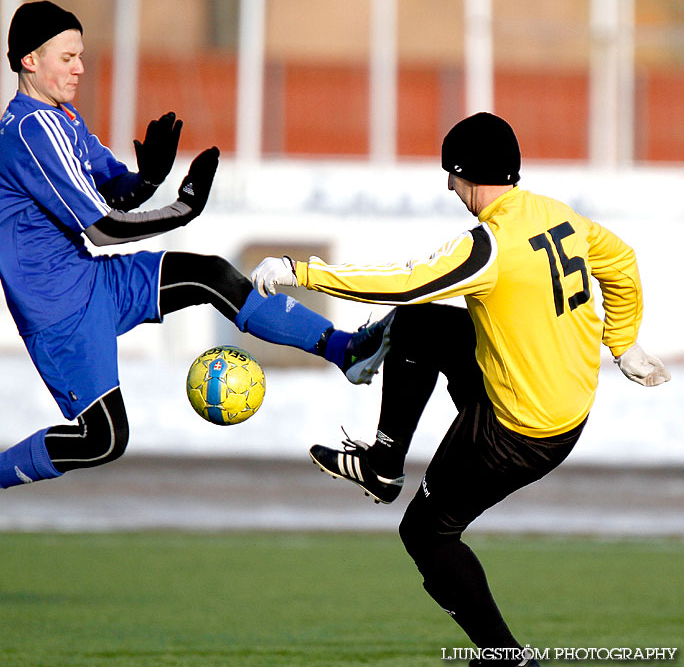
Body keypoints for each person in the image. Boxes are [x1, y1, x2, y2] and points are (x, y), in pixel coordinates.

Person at [250, 112, 670, 666]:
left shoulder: (489, 246)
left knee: (426, 534)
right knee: (422, 323)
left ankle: (507, 659)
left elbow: (404, 279)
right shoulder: (557, 215)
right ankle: (382, 462)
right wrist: (624, 343)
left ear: (467, 173)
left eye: (452, 174)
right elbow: (621, 260)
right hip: (554, 402)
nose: (450, 186)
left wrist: (300, 272)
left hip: (518, 431)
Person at [0, 0, 394, 502]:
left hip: (90, 280)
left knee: (213, 276)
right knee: (104, 438)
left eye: (81, 55)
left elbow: (114, 193)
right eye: (68, 57)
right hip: (59, 311)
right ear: (30, 60)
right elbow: (105, 229)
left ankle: (344, 349)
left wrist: (148, 177)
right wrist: (182, 209)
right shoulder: (31, 129)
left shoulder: (61, 119)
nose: (80, 68)